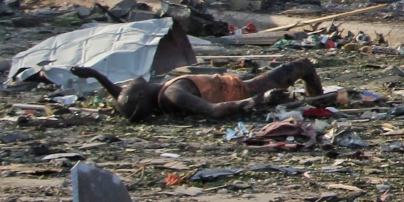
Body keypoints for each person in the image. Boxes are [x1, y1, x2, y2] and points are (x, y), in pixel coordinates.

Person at [70, 58, 325, 121]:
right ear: (140, 94)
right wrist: (260, 99)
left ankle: (319, 102)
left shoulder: (158, 94)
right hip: (245, 89)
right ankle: (321, 104)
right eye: (129, 88)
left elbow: (121, 96)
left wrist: (95, 74)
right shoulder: (174, 93)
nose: (127, 84)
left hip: (238, 85)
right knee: (303, 66)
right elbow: (214, 110)